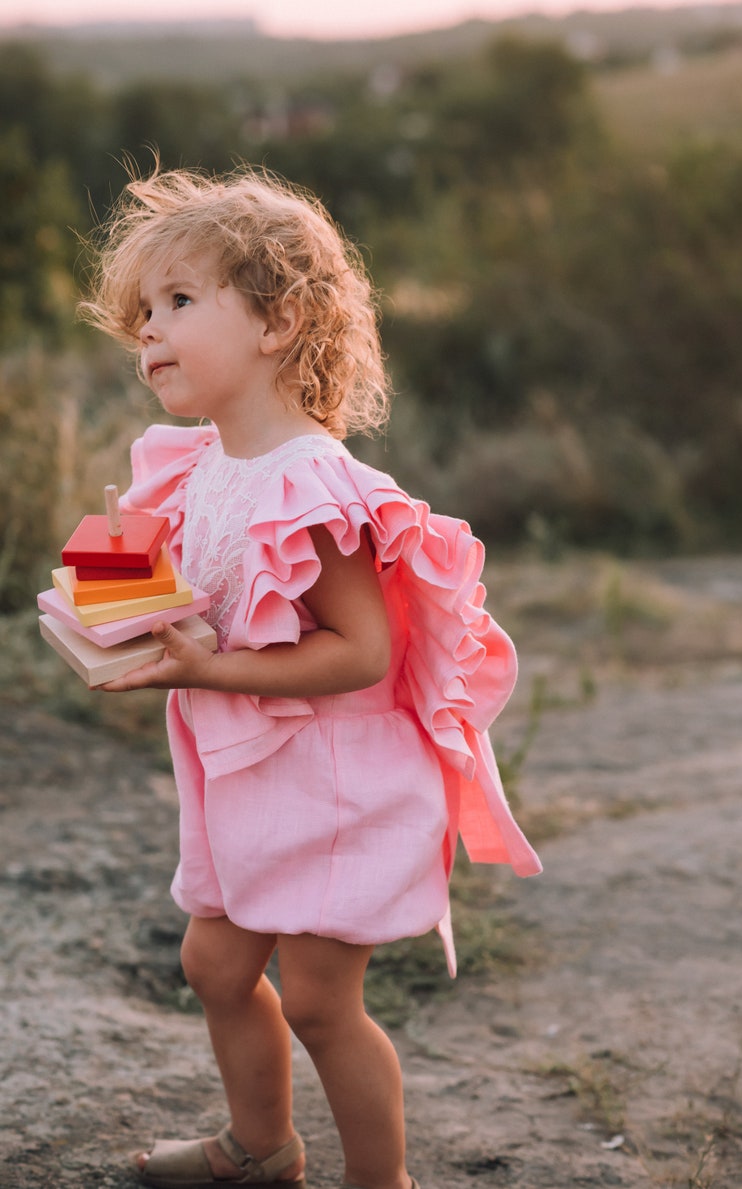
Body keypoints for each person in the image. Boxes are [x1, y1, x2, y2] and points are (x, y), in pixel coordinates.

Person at [79, 164, 542, 1189]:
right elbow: (193, 591)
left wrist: (211, 661)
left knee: (325, 1002)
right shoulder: (195, 465)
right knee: (214, 966)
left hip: (335, 778)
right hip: (246, 765)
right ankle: (261, 1151)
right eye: (146, 310)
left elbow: (362, 650)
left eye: (182, 301)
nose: (150, 330)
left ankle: (381, 1183)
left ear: (278, 323)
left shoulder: (312, 481)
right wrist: (117, 612)